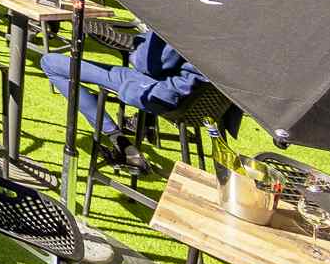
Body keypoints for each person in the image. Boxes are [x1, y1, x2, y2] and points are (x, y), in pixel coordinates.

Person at [38, 25, 205, 170]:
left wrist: (136, 44)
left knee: (50, 63)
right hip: (203, 100)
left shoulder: (184, 14)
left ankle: (118, 140)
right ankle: (133, 125)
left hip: (166, 92)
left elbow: (148, 64)